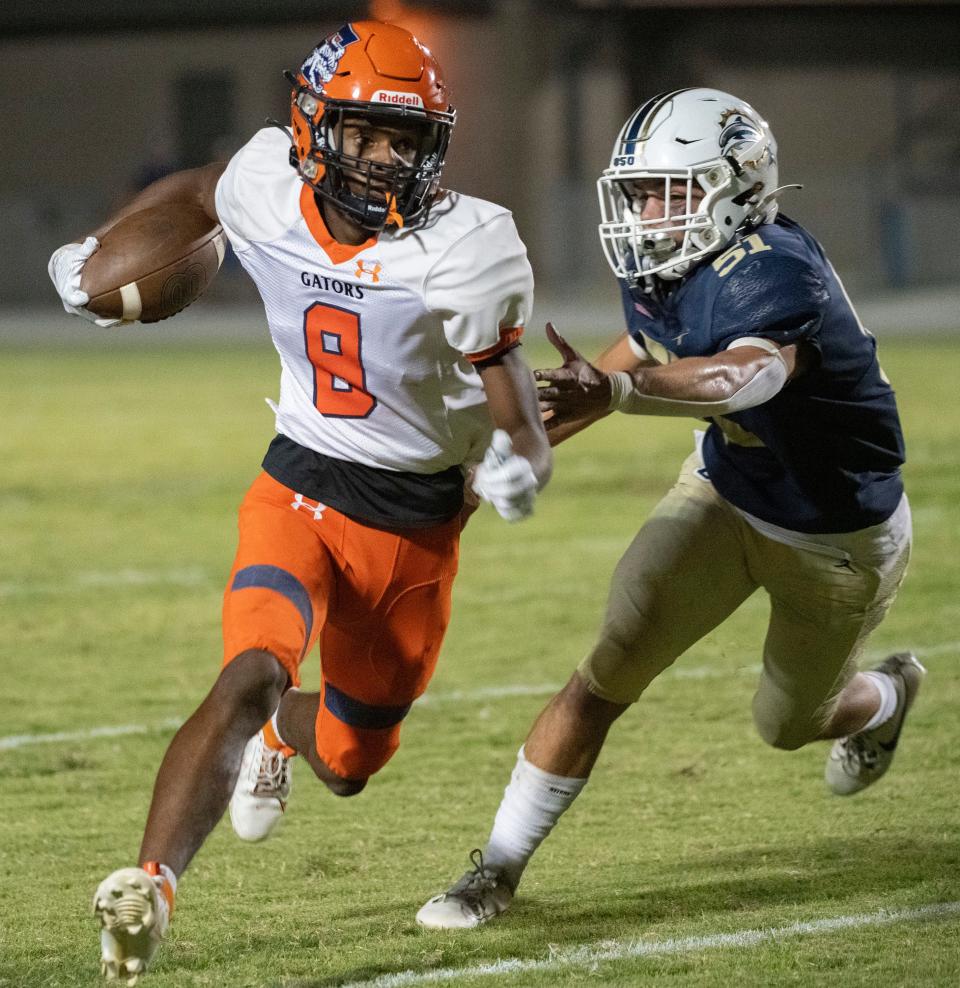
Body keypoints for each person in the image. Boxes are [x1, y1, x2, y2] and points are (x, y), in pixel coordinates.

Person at [48, 21, 551, 981]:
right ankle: (151, 889)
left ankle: (287, 738)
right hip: (298, 481)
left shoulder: (468, 244)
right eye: (366, 135)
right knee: (249, 673)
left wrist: (524, 455)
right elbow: (199, 191)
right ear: (317, 129)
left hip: (410, 524)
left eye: (408, 141)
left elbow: (512, 395)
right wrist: (102, 254)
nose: (387, 160)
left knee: (354, 763)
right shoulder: (267, 182)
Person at [416, 88, 923, 930]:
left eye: (670, 191)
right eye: (641, 190)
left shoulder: (773, 270)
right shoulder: (676, 263)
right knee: (609, 664)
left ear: (737, 187)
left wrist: (620, 389)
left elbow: (742, 375)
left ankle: (886, 695)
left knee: (790, 723)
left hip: (836, 538)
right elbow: (644, 348)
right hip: (727, 492)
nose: (647, 211)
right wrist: (519, 442)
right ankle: (494, 872)